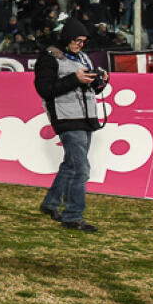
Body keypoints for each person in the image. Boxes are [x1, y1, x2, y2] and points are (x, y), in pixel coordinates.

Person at [34, 17, 105, 232]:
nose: (80, 45)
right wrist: (75, 79)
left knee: (70, 166)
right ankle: (73, 216)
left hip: (85, 117)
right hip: (66, 118)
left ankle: (51, 203)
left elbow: (88, 89)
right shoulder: (49, 57)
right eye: (77, 40)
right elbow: (45, 89)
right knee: (80, 170)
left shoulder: (82, 57)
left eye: (84, 41)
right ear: (67, 38)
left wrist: (99, 82)